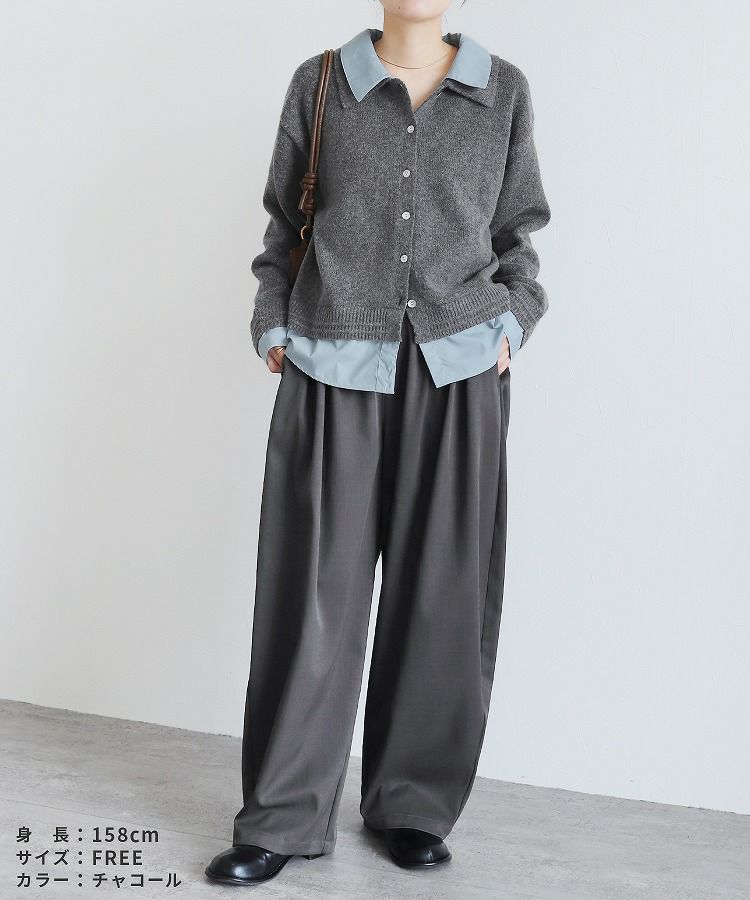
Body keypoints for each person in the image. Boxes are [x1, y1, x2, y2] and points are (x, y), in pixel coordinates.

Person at [206, 0, 550, 886]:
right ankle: (281, 816)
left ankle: (413, 805)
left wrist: (514, 321)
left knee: (443, 599)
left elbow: (518, 238)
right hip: (331, 367)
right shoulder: (321, 84)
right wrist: (272, 322)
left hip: (460, 370)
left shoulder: (503, 93)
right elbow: (282, 231)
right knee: (309, 598)